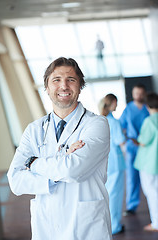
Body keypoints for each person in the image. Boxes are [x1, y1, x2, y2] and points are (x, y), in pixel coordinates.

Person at [7, 57, 112, 240]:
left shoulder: (97, 124)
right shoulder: (34, 130)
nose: (64, 86)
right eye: (56, 80)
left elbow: (72, 170)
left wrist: (33, 163)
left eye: (71, 79)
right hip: (46, 227)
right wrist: (61, 161)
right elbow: (15, 180)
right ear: (46, 88)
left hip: (86, 228)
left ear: (80, 86)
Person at [120, 83, 149, 216]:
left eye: (141, 93)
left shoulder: (149, 108)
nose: (138, 96)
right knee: (132, 177)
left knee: (150, 176)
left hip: (146, 147)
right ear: (133, 94)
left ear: (144, 94)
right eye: (136, 93)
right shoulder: (128, 109)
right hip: (132, 147)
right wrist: (127, 140)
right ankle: (131, 205)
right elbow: (121, 127)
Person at [99, 94, 126, 235]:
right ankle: (114, 226)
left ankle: (110, 224)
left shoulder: (101, 121)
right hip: (117, 163)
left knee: (109, 194)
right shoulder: (114, 123)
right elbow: (122, 143)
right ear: (113, 102)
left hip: (107, 163)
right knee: (116, 196)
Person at [133, 92, 158, 232]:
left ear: (147, 105)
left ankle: (156, 223)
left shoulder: (149, 121)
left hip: (150, 163)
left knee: (152, 193)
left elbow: (143, 142)